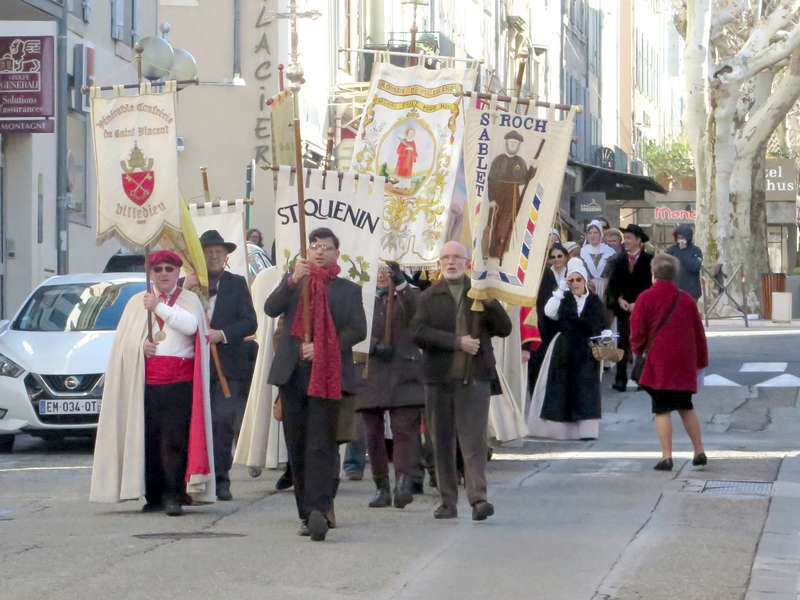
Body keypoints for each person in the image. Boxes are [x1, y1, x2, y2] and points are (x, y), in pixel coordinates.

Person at [90, 250, 215, 515]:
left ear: (178, 272)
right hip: (146, 384)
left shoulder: (188, 299)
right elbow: (122, 344)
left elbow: (190, 326)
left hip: (179, 384)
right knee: (148, 440)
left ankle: (174, 495)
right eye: (157, 269)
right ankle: (154, 495)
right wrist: (140, 347)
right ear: (150, 273)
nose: (164, 274)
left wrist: (158, 307)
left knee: (175, 441)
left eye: (169, 269)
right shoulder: (137, 303)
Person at [264, 227, 366, 541]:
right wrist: (293, 279)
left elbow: (358, 329)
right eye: (314, 246)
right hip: (293, 375)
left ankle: (320, 509)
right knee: (297, 446)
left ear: (337, 253)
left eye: (326, 247)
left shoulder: (348, 290)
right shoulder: (295, 283)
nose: (319, 251)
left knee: (321, 445)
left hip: (327, 376)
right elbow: (271, 308)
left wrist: (323, 347)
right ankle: (306, 513)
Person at [410, 241, 512, 521]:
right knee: (440, 442)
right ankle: (447, 501)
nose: (451, 262)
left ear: (467, 262)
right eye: (445, 257)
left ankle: (479, 499)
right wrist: (456, 342)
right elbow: (417, 332)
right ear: (439, 264)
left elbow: (504, 328)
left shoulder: (479, 292)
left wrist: (490, 303)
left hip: (475, 377)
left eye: (456, 257)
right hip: (438, 379)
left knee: (474, 441)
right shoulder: (429, 296)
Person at [182, 230, 257, 501]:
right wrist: (185, 290)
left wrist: (221, 334)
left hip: (227, 368)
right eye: (208, 252)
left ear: (226, 257)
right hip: (191, 367)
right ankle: (193, 480)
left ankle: (222, 479)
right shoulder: (185, 285)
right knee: (193, 424)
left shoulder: (236, 284)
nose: (214, 256)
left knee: (223, 422)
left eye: (219, 252)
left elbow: (250, 322)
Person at [357, 262, 425, 509]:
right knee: (373, 433)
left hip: (404, 371)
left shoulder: (411, 294)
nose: (382, 276)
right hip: (370, 371)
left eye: (386, 271)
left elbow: (419, 316)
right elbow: (352, 327)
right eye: (377, 270)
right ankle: (381, 486)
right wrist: (374, 344)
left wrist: (402, 285)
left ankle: (403, 484)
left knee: (404, 430)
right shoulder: (361, 297)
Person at [631, 254, 708, 471]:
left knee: (662, 409)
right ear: (675, 275)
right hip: (683, 362)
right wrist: (700, 361)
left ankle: (667, 456)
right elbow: (698, 333)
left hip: (659, 361)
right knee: (686, 406)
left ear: (653, 274)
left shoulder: (645, 298)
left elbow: (637, 331)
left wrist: (638, 351)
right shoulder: (686, 299)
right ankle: (699, 451)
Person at [527, 258, 609, 440]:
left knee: (585, 390)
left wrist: (606, 335)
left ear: (585, 281)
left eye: (579, 280)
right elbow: (548, 311)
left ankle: (586, 431)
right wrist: (561, 289)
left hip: (586, 350)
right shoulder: (563, 299)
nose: (575, 284)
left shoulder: (594, 300)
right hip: (564, 349)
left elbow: (602, 322)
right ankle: (561, 431)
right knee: (561, 388)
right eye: (572, 280)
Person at [607, 224, 653, 392]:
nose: (625, 241)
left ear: (638, 240)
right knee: (622, 342)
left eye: (629, 238)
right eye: (624, 238)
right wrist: (619, 299)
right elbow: (613, 284)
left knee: (643, 343)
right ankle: (620, 379)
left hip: (642, 309)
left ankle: (642, 378)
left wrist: (638, 303)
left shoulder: (649, 260)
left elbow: (650, 286)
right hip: (623, 309)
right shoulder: (619, 259)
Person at [481, 130, 536, 259]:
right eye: (510, 142)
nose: (512, 145)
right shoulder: (498, 160)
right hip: (497, 193)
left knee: (507, 223)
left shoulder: (520, 162)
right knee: (493, 221)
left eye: (515, 143)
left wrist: (533, 169)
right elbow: (491, 179)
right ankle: (489, 250)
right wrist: (492, 198)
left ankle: (502, 251)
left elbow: (524, 180)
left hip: (512, 195)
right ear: (506, 143)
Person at [527, 243, 569, 396]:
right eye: (553, 257)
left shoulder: (572, 273)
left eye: (559, 256)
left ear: (565, 257)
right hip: (546, 323)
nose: (556, 259)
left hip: (566, 322)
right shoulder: (544, 274)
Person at [666, 224, 703, 301]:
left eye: (682, 238)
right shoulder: (671, 250)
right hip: (674, 290)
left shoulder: (695, 251)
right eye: (678, 238)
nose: (680, 240)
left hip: (691, 291)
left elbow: (695, 267)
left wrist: (683, 252)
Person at [580, 219, 616, 299]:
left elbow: (614, 273)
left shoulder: (610, 252)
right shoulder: (582, 252)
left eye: (595, 232)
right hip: (588, 288)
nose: (592, 235)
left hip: (606, 289)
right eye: (590, 233)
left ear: (600, 234)